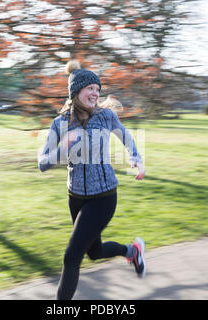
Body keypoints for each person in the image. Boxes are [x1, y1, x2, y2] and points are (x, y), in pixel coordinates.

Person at [38, 60, 146, 300]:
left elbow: (126, 137)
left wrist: (137, 158)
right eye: (91, 88)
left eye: (98, 89)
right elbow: (42, 163)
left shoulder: (106, 117)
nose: (96, 93)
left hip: (104, 197)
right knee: (94, 252)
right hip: (75, 198)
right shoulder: (60, 123)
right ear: (76, 92)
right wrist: (63, 148)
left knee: (71, 255)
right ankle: (133, 251)